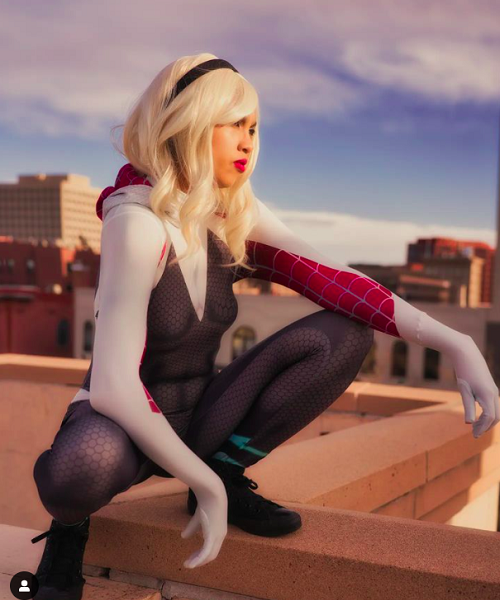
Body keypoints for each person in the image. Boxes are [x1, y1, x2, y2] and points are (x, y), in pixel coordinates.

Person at [30, 53, 500, 600]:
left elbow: (341, 284)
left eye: (254, 128)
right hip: (123, 424)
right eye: (234, 124)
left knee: (346, 333)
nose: (248, 142)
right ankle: (68, 533)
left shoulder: (232, 214)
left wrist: (455, 342)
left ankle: (227, 469)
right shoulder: (135, 221)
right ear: (187, 122)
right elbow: (114, 387)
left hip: (201, 417)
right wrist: (203, 486)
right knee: (78, 471)